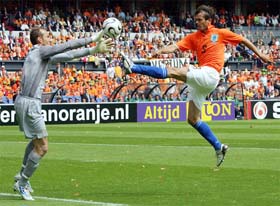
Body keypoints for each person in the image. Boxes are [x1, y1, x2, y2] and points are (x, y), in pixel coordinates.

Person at [120, 5, 274, 167]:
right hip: (204, 81)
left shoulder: (219, 33)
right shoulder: (194, 37)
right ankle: (219, 147)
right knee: (192, 119)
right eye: (196, 20)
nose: (197, 22)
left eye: (200, 20)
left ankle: (133, 68)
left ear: (209, 21)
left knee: (172, 71)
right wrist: (161, 51)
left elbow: (243, 39)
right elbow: (176, 46)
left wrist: (261, 54)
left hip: (210, 74)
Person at [13, 27, 114, 201]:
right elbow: (66, 47)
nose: (49, 37)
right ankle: (22, 183)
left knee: (35, 140)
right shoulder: (40, 51)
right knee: (43, 147)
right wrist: (91, 38)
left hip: (25, 101)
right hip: (30, 103)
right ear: (39, 40)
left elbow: (68, 56)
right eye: (46, 35)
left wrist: (93, 50)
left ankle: (21, 177)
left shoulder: (40, 55)